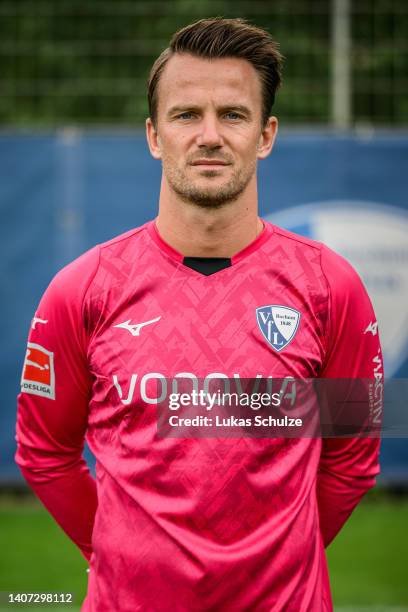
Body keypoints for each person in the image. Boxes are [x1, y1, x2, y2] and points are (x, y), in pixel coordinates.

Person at [16, 18, 383, 611]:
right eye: (186, 115)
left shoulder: (331, 287)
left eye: (233, 115)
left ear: (266, 135)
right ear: (154, 136)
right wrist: (119, 552)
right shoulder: (82, 289)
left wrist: (282, 561)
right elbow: (45, 454)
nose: (209, 135)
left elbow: (351, 459)